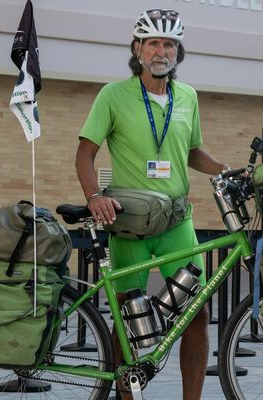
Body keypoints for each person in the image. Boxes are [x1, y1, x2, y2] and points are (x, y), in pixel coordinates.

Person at [76, 9, 232, 400]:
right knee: (128, 315)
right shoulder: (113, 95)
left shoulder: (188, 97)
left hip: (177, 222)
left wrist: (225, 170)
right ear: (137, 49)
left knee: (196, 315)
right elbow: (85, 153)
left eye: (170, 44)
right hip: (130, 223)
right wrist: (94, 197)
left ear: (178, 51)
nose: (162, 51)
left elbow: (192, 151)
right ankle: (126, 395)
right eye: (154, 43)